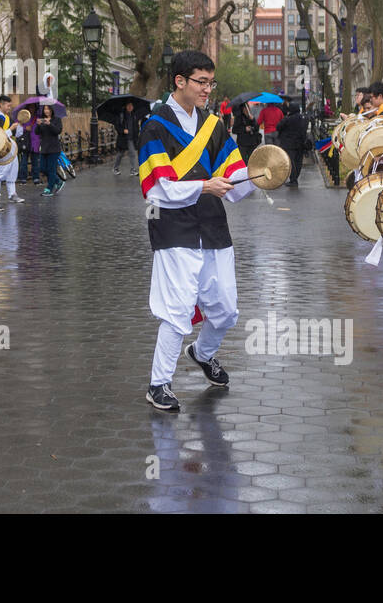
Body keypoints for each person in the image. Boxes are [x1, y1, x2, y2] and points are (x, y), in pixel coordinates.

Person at [139, 50, 255, 411]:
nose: (208, 89)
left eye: (210, 82)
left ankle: (202, 353)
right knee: (176, 309)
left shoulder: (214, 125)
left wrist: (261, 174)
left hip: (212, 224)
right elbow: (156, 190)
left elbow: (233, 175)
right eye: (201, 82)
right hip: (172, 225)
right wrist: (205, 187)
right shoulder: (154, 127)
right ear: (180, 81)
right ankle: (159, 384)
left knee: (226, 311)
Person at [0, 95, 25, 204]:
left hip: (11, 149)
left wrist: (19, 125)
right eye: (8, 105)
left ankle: (12, 194)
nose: (10, 108)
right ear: (1, 104)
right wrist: (11, 129)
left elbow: (17, 134)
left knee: (12, 172)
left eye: (10, 106)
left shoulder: (7, 117)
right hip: (2, 150)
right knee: (1, 173)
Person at [276, 103, 308, 186]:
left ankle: (293, 180)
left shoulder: (288, 119)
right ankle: (295, 178)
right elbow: (304, 131)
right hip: (300, 143)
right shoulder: (303, 118)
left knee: (291, 162)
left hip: (289, 144)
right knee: (298, 162)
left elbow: (278, 127)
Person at [35, 104, 63, 196]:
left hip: (54, 149)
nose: (46, 111)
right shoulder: (42, 120)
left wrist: (50, 124)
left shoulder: (57, 120)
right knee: (42, 168)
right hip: (44, 148)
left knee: (51, 170)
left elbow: (58, 131)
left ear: (51, 110)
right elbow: (37, 132)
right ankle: (58, 181)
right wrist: (38, 125)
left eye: (48, 109)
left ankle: (49, 189)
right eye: (45, 109)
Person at [112, 100, 141, 175]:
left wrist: (137, 133)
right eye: (128, 105)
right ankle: (115, 168)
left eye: (131, 105)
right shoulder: (121, 115)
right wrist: (123, 130)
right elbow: (117, 126)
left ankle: (133, 170)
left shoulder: (134, 115)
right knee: (120, 154)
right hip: (123, 138)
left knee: (133, 153)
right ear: (126, 106)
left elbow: (136, 126)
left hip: (131, 138)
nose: (130, 107)